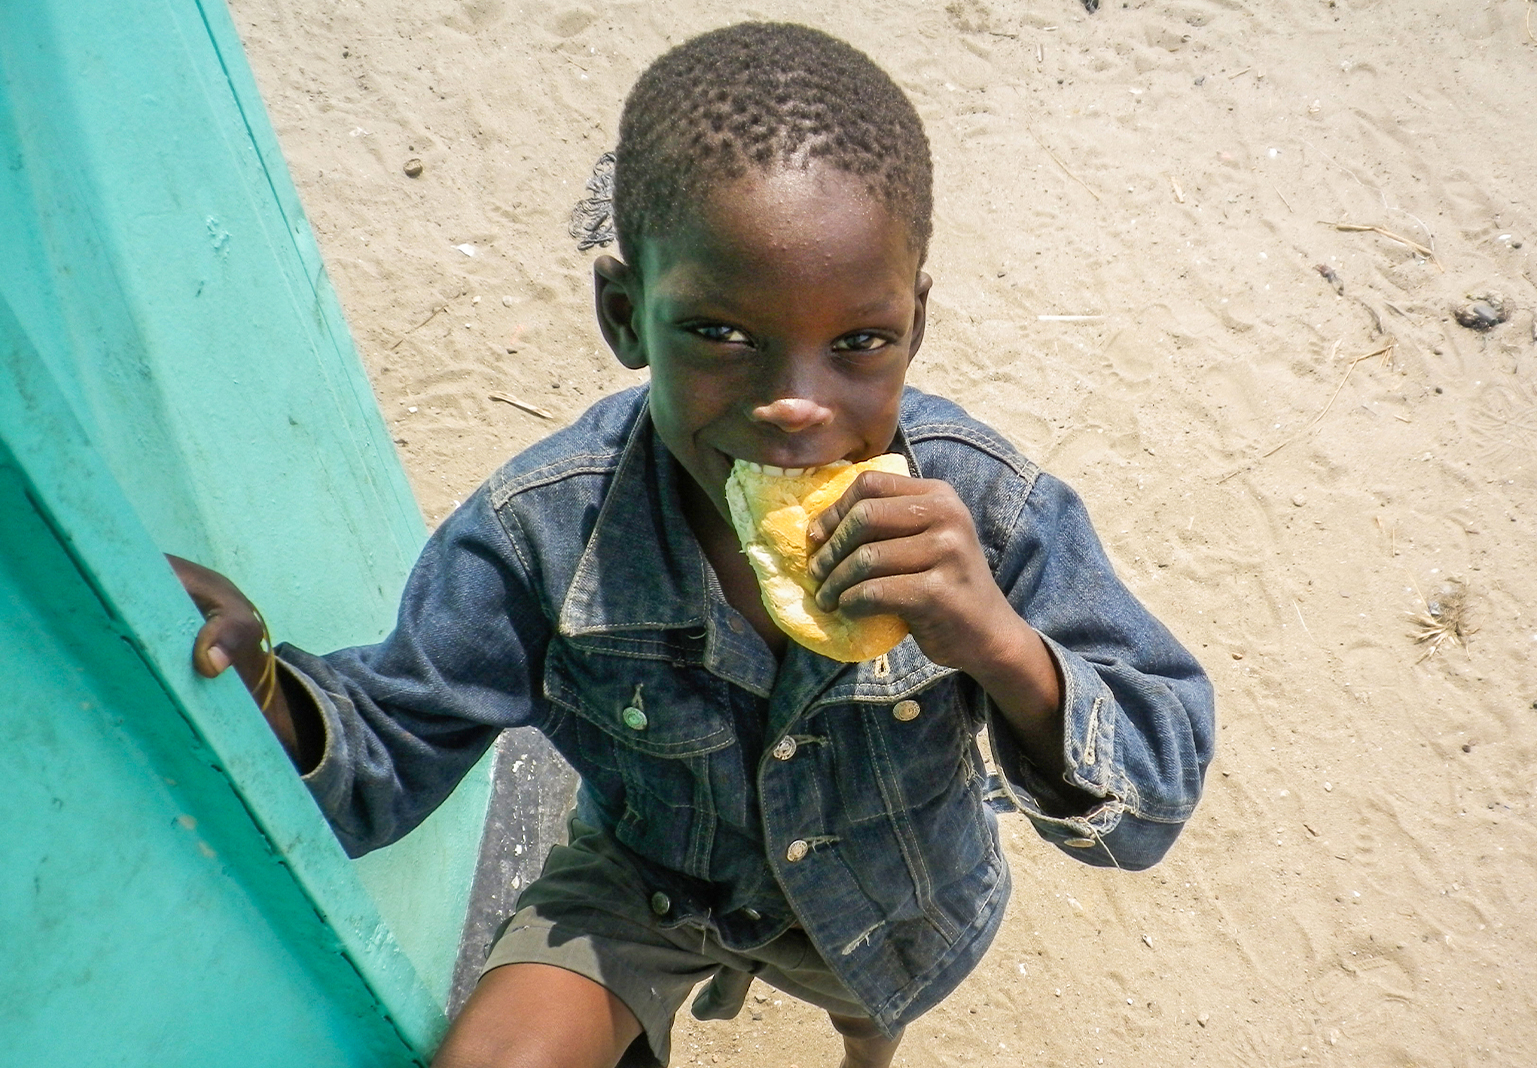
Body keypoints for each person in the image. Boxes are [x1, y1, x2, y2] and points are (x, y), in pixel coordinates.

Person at [170, 22, 1214, 1068]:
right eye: (720, 334)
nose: (797, 406)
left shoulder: (982, 507)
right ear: (625, 316)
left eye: (860, 342)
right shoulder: (543, 533)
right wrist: (265, 693)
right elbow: (385, 748)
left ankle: (866, 1045)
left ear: (915, 323)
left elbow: (1154, 791)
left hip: (898, 893)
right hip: (648, 879)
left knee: (873, 1006)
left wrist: (999, 645)